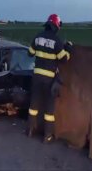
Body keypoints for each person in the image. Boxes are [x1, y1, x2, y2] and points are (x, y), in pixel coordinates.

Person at [27, 14, 72, 143]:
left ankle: (30, 130)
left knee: (33, 105)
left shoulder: (38, 36)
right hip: (49, 79)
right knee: (49, 109)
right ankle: (47, 136)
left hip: (36, 77)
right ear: (56, 26)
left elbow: (29, 53)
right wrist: (67, 48)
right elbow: (64, 59)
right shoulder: (57, 41)